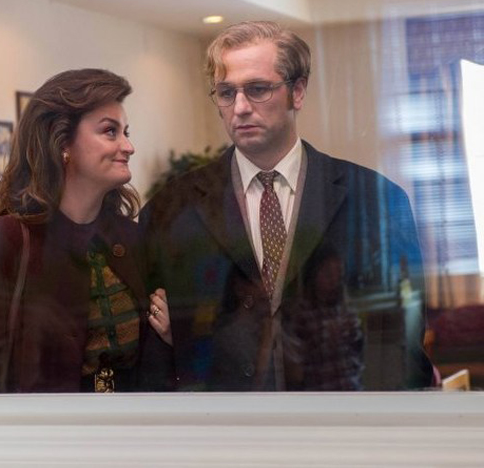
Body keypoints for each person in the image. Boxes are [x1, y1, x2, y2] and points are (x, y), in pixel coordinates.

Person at [140, 21, 434, 391]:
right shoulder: (171, 209)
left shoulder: (376, 199)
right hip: (222, 417)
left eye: (257, 89)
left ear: (297, 92)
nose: (240, 107)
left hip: (342, 411)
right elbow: (155, 356)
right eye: (226, 93)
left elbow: (400, 339)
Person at [0, 68, 171, 393]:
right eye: (110, 131)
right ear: (62, 142)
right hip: (39, 425)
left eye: (126, 132)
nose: (128, 146)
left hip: (134, 423)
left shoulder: (133, 240)